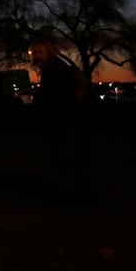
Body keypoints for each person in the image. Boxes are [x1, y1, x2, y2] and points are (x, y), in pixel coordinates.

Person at [29, 36, 86, 201]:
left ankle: (67, 195)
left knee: (62, 158)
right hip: (59, 120)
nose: (37, 56)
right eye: (35, 53)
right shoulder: (52, 69)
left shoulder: (58, 70)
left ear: (49, 51)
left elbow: (61, 96)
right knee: (59, 157)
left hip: (62, 120)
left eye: (40, 52)